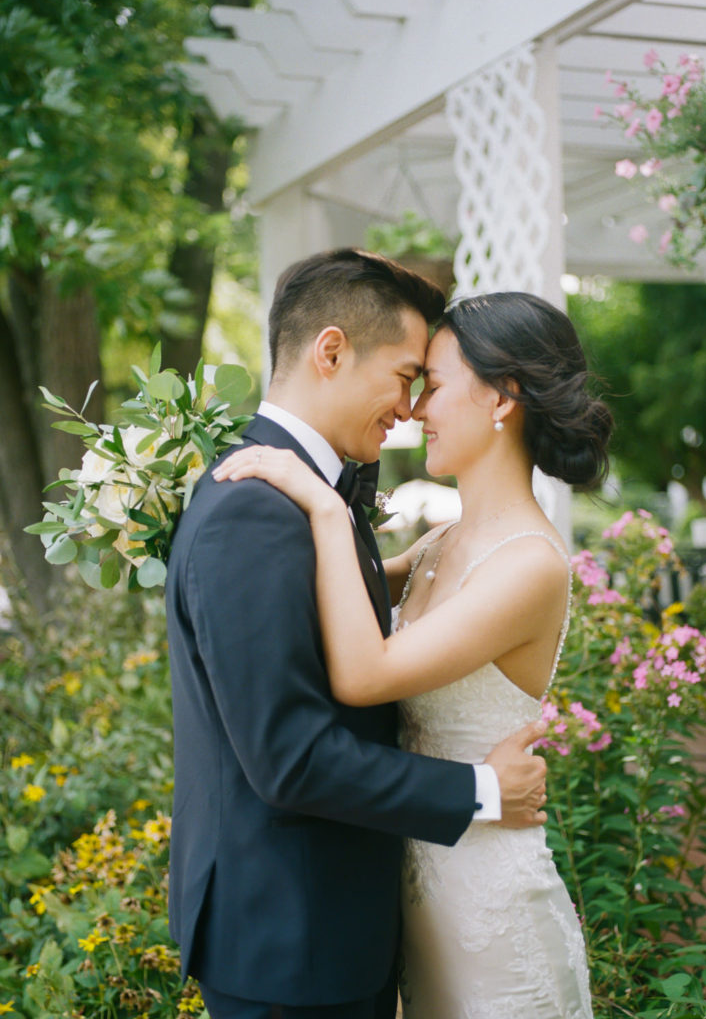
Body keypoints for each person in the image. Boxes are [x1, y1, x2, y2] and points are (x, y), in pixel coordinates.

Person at [166, 250, 549, 1019]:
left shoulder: (303, 496)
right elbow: (290, 758)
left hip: (330, 928)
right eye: (409, 376)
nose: (409, 408)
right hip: (289, 944)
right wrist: (483, 791)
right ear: (331, 351)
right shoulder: (257, 508)